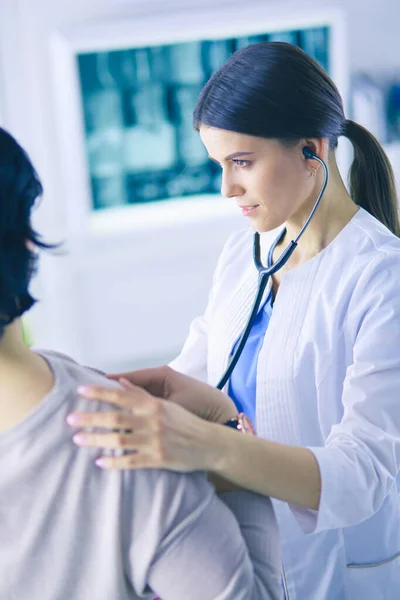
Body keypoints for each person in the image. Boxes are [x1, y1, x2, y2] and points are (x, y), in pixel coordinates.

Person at [70, 42, 400, 600]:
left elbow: (364, 471)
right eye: (219, 165)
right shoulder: (243, 252)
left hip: (344, 576)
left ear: (311, 150)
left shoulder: (382, 279)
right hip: (248, 550)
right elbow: (198, 371)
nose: (226, 188)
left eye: (241, 162)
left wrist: (212, 448)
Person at [0, 126, 283, 600]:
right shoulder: (125, 445)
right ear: (25, 246)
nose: (227, 188)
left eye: (240, 162)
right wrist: (224, 434)